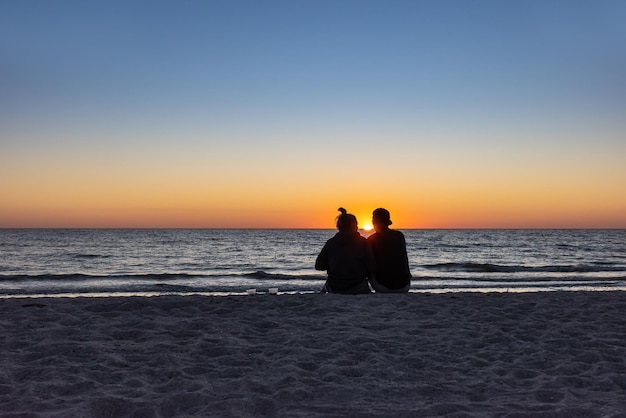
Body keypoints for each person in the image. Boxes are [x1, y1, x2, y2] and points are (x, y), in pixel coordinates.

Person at [315, 208, 375, 294]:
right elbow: (372, 267)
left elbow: (319, 266)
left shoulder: (331, 243)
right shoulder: (363, 242)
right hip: (358, 287)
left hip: (335, 287)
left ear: (338, 227)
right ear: (354, 226)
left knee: (326, 285)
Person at [367, 208, 411, 293]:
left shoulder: (371, 239)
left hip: (382, 286)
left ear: (374, 222)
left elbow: (370, 264)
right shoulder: (399, 236)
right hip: (405, 286)